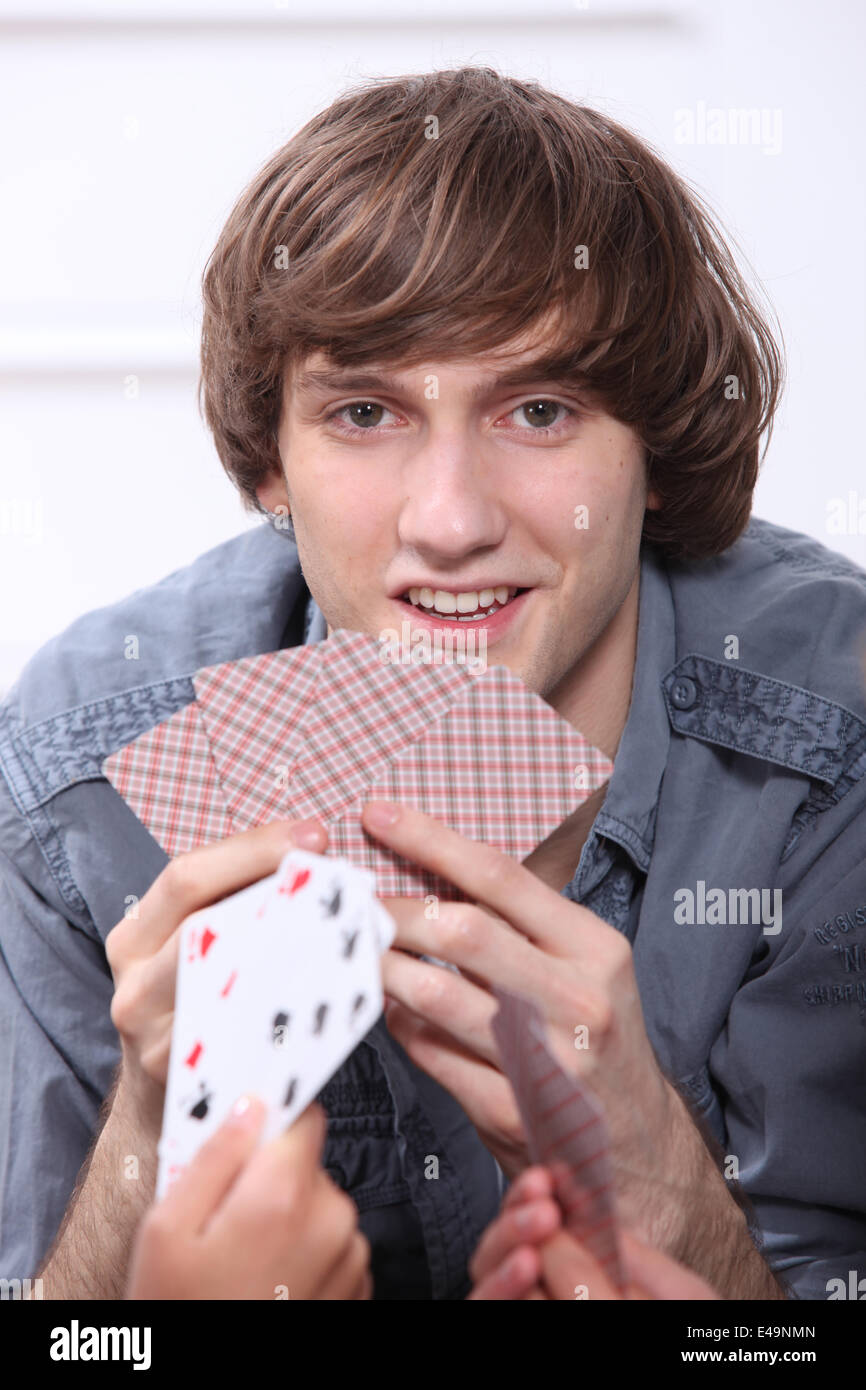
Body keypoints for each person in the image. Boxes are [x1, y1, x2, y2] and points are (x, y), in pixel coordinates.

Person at [2, 65, 865, 1301]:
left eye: (539, 409)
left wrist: (660, 1182)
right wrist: (148, 1132)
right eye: (364, 411)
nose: (450, 520)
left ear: (655, 456)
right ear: (267, 465)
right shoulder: (76, 778)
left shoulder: (830, 749)